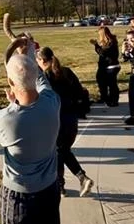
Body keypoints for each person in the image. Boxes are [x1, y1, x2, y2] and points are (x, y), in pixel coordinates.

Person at [0, 49, 61, 224]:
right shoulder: (52, 102)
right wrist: (29, 52)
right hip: (49, 189)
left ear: (11, 84)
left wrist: (12, 105)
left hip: (20, 197)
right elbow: (42, 83)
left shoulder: (6, 119)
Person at [35, 47, 95, 197]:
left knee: (59, 152)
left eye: (37, 60)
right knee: (61, 152)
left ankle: (78, 179)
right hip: (71, 119)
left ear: (42, 60)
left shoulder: (45, 77)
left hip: (56, 120)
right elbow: (80, 93)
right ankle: (64, 184)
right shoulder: (66, 72)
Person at [90, 27, 121, 107]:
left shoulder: (111, 42)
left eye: (99, 34)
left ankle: (114, 100)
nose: (98, 36)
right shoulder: (105, 43)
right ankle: (104, 98)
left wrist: (96, 45)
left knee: (112, 84)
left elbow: (103, 53)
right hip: (104, 66)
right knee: (101, 80)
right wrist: (97, 46)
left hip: (111, 66)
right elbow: (101, 53)